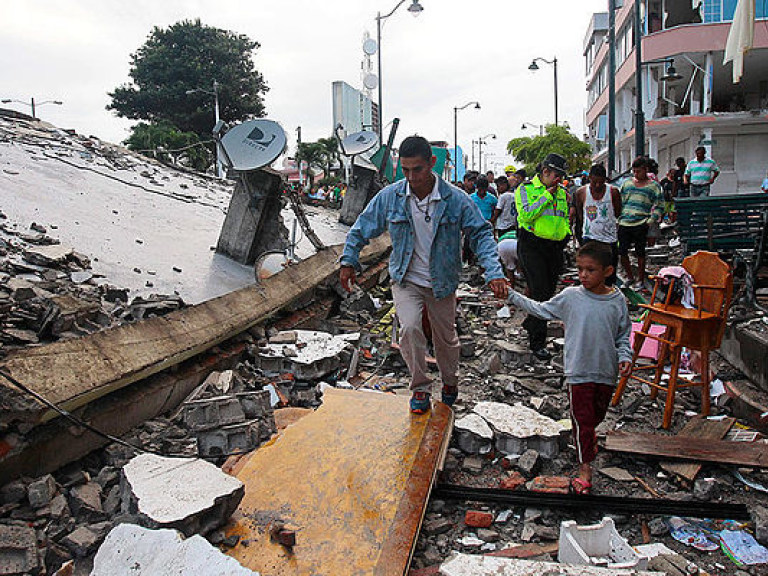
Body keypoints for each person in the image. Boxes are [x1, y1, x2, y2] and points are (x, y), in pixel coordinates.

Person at [340, 136, 508, 413]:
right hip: (406, 278)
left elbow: (480, 233)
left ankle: (450, 382)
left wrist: (494, 272)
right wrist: (348, 260)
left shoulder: (455, 199)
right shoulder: (391, 196)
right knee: (409, 329)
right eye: (404, 170)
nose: (411, 177)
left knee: (446, 339)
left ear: (432, 164)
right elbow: (362, 227)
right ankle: (420, 388)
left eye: (416, 169)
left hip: (442, 281)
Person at [508, 241, 632, 494]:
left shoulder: (617, 301)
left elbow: (622, 335)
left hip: (606, 372)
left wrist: (625, 356)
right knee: (583, 421)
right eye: (580, 269)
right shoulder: (571, 297)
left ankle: (587, 444)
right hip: (578, 371)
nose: (583, 275)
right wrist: (512, 295)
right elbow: (541, 309)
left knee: (595, 418)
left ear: (608, 271)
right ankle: (585, 467)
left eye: (591, 270)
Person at [515, 153, 571, 361]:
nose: (560, 180)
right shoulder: (526, 189)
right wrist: (547, 195)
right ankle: (537, 342)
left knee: (548, 293)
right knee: (539, 292)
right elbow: (527, 215)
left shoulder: (563, 193)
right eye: (557, 175)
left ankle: (531, 322)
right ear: (546, 172)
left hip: (555, 247)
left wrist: (566, 235)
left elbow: (563, 218)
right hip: (532, 246)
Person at [618, 156, 664, 291]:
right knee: (622, 251)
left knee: (640, 253)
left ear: (646, 170)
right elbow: (620, 202)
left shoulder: (654, 186)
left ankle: (640, 279)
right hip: (625, 222)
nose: (636, 174)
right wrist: (618, 218)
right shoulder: (627, 184)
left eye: (639, 171)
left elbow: (660, 205)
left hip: (641, 221)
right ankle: (630, 276)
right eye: (634, 171)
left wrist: (651, 220)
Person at [570, 164, 621, 285]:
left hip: (609, 239)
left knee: (608, 275)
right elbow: (581, 215)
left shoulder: (613, 192)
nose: (597, 185)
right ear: (589, 179)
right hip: (590, 238)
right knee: (590, 273)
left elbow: (617, 212)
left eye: (600, 182)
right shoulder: (581, 192)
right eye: (594, 182)